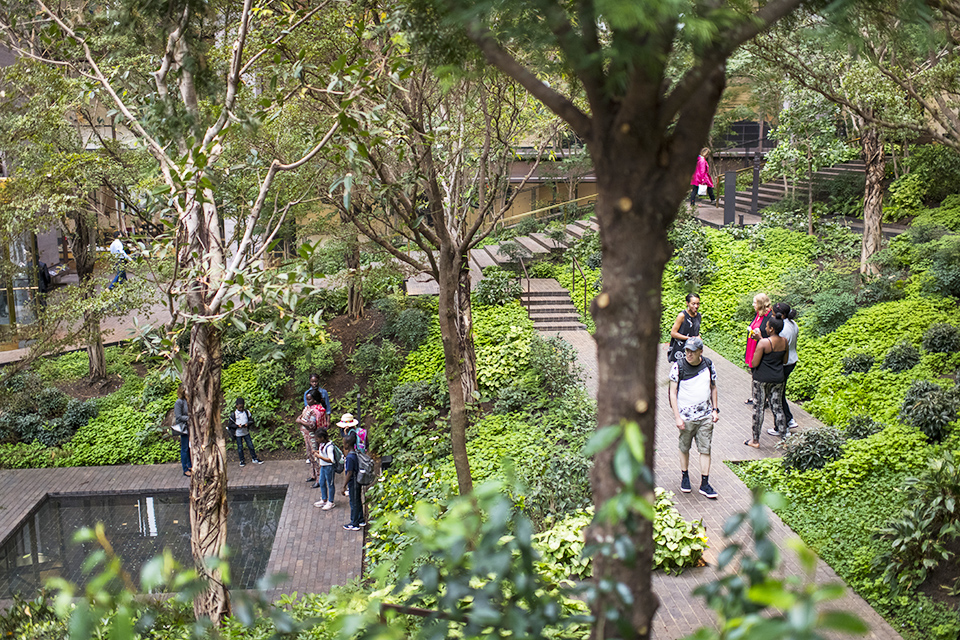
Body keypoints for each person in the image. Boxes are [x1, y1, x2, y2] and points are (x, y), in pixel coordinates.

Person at [668, 337, 720, 499]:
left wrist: (715, 409)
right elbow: (672, 393)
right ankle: (685, 477)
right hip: (686, 417)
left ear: (700, 352)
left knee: (705, 449)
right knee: (684, 447)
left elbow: (713, 388)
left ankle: (705, 483)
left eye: (692, 351)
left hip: (705, 417)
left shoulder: (708, 365)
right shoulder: (678, 367)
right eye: (687, 351)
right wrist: (677, 417)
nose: (688, 354)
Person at [745, 316, 789, 448]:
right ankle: (784, 439)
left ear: (771, 329)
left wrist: (759, 342)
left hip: (761, 379)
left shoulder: (764, 343)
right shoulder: (785, 341)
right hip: (778, 378)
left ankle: (755, 440)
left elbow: (754, 363)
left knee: (758, 408)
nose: (765, 327)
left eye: (767, 326)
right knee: (778, 407)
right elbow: (785, 361)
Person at [773, 302, 800, 430]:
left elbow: (780, 347)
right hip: (792, 360)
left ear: (781, 315)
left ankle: (786, 421)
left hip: (785, 363)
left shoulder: (783, 329)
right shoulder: (793, 324)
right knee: (781, 391)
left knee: (778, 393)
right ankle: (788, 419)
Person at [744, 293, 772, 405]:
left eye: (755, 302)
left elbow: (769, 334)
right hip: (753, 346)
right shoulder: (758, 314)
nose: (753, 304)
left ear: (761, 304)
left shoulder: (769, 317)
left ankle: (763, 398)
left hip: (761, 347)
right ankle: (755, 396)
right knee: (754, 372)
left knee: (760, 373)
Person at [227, 397, 263, 467]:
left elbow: (251, 421)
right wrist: (237, 426)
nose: (241, 409)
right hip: (238, 433)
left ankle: (254, 458)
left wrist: (247, 424)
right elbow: (230, 425)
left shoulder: (247, 412)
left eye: (242, 407)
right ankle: (242, 460)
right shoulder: (234, 414)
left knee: (250, 445)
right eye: (239, 407)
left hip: (245, 431)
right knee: (240, 447)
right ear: (236, 406)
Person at [668, 294, 702, 363]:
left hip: (693, 348)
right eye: (693, 304)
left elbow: (695, 331)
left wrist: (698, 337)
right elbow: (673, 333)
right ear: (687, 303)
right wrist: (689, 338)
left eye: (698, 304)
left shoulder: (698, 316)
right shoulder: (682, 316)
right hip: (680, 348)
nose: (696, 306)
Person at [297, 391, 322, 484]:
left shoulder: (314, 411)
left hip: (312, 436)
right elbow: (303, 416)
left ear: (314, 400)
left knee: (315, 455)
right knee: (309, 455)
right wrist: (300, 419)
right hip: (306, 436)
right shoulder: (307, 408)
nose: (307, 401)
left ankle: (319, 478)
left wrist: (300, 421)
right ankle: (313, 474)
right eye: (307, 399)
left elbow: (311, 425)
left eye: (309, 399)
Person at [341, 432, 365, 531]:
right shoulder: (355, 453)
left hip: (353, 481)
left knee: (353, 502)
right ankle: (360, 519)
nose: (343, 445)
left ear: (348, 444)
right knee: (357, 500)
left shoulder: (350, 457)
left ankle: (354, 523)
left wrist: (344, 485)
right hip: (357, 481)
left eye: (344, 443)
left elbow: (349, 473)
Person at [312, 429, 337, 510]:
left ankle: (331, 501)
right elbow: (322, 452)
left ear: (322, 437)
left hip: (329, 467)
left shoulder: (329, 446)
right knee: (321, 482)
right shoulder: (322, 444)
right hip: (323, 466)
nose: (316, 440)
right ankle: (324, 499)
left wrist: (320, 457)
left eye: (317, 438)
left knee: (330, 483)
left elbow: (331, 459)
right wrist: (317, 452)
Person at [174, 386, 191, 477]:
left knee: (189, 447)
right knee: (184, 448)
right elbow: (178, 417)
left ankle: (190, 465)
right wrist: (189, 418)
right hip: (184, 427)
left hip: (190, 427)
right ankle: (185, 469)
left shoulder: (187, 401)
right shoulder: (179, 402)